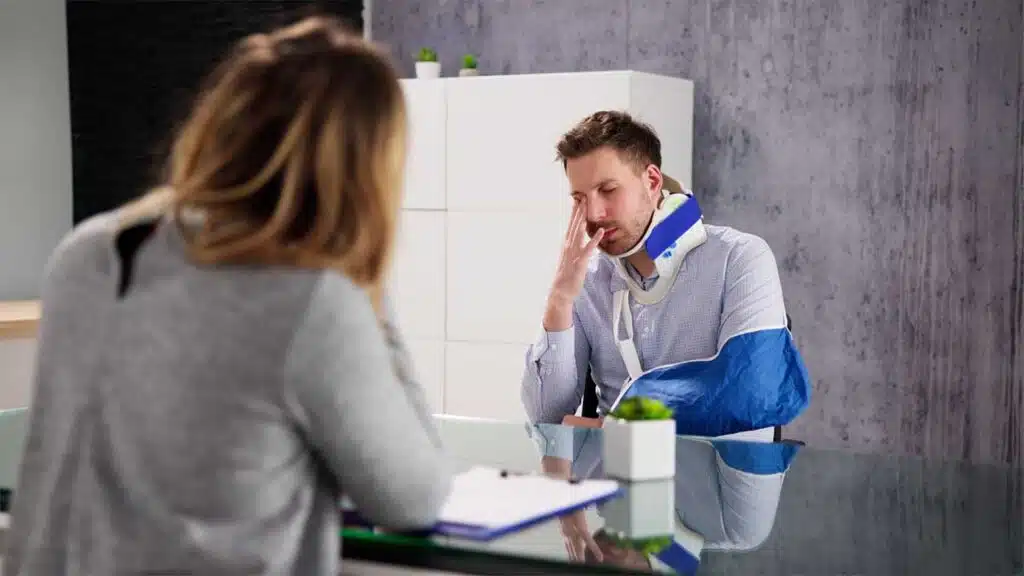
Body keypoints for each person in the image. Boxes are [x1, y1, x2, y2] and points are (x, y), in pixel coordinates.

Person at [6, 16, 452, 576]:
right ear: (366, 171)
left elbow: (50, 490)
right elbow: (413, 499)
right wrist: (368, 285)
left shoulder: (93, 254)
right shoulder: (314, 302)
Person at [521, 111, 810, 560]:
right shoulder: (588, 280)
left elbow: (751, 391)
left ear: (653, 181)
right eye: (579, 198)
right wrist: (559, 299)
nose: (593, 214)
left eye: (608, 190)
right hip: (619, 504)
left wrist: (612, 425)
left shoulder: (741, 258)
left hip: (717, 505)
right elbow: (546, 418)